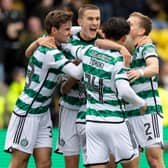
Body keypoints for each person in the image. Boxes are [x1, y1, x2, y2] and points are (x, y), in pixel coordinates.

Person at [25, 4, 131, 168]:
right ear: (80, 21)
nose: (94, 23)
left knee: (106, 162)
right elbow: (63, 88)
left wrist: (120, 47)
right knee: (71, 162)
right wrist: (38, 41)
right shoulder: (66, 39)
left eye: (97, 19)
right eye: (90, 18)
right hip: (70, 107)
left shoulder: (103, 42)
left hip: (94, 109)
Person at [62, 17, 147, 168]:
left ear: (103, 34)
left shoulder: (87, 52)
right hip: (116, 122)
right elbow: (124, 91)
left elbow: (69, 46)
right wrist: (141, 102)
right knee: (133, 165)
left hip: (93, 122)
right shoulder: (118, 62)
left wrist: (76, 28)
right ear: (123, 38)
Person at [4, 9, 82, 168]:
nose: (70, 33)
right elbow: (76, 73)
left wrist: (95, 28)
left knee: (45, 163)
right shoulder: (50, 52)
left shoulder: (49, 39)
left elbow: (77, 29)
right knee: (19, 162)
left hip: (43, 112)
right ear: (54, 30)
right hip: (28, 111)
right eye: (66, 29)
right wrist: (90, 58)